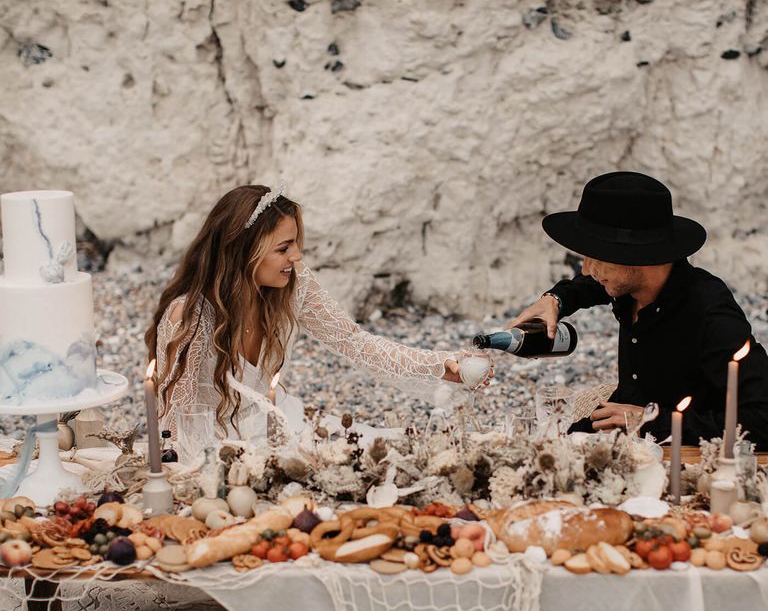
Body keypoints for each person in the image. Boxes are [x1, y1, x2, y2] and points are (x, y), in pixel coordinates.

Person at [145, 184, 472, 441]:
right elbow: (177, 424)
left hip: (275, 424)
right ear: (242, 252)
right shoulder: (189, 317)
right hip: (213, 443)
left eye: (296, 244)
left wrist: (439, 366)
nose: (297, 256)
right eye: (284, 248)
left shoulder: (294, 285)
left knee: (380, 446)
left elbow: (352, 340)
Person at [507, 171, 768, 449]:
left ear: (637, 256)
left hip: (684, 452)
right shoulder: (631, 283)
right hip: (622, 431)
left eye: (595, 256)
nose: (586, 269)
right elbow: (591, 284)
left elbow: (762, 420)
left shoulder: (710, 314)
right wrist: (556, 299)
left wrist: (649, 420)